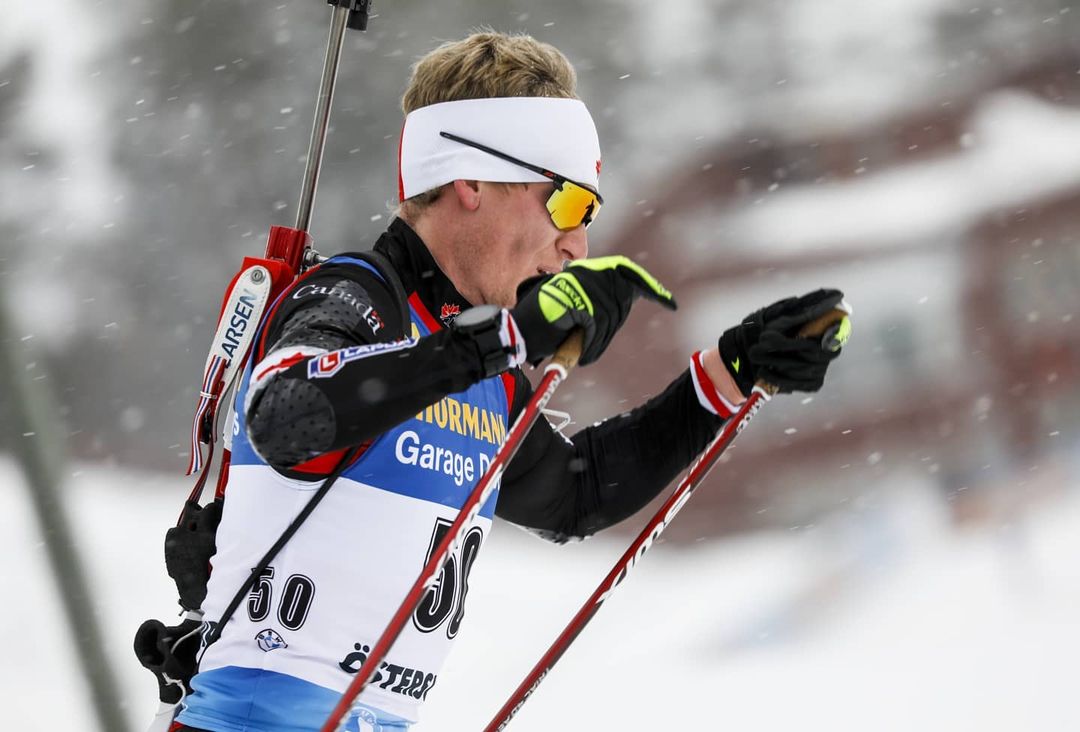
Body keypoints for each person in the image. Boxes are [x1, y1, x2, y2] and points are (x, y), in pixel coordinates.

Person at [148, 31, 848, 731]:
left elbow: (575, 492)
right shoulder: (355, 299)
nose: (578, 245)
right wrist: (495, 343)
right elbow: (283, 417)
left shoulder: (480, 364)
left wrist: (727, 376)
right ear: (471, 182)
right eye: (567, 204)